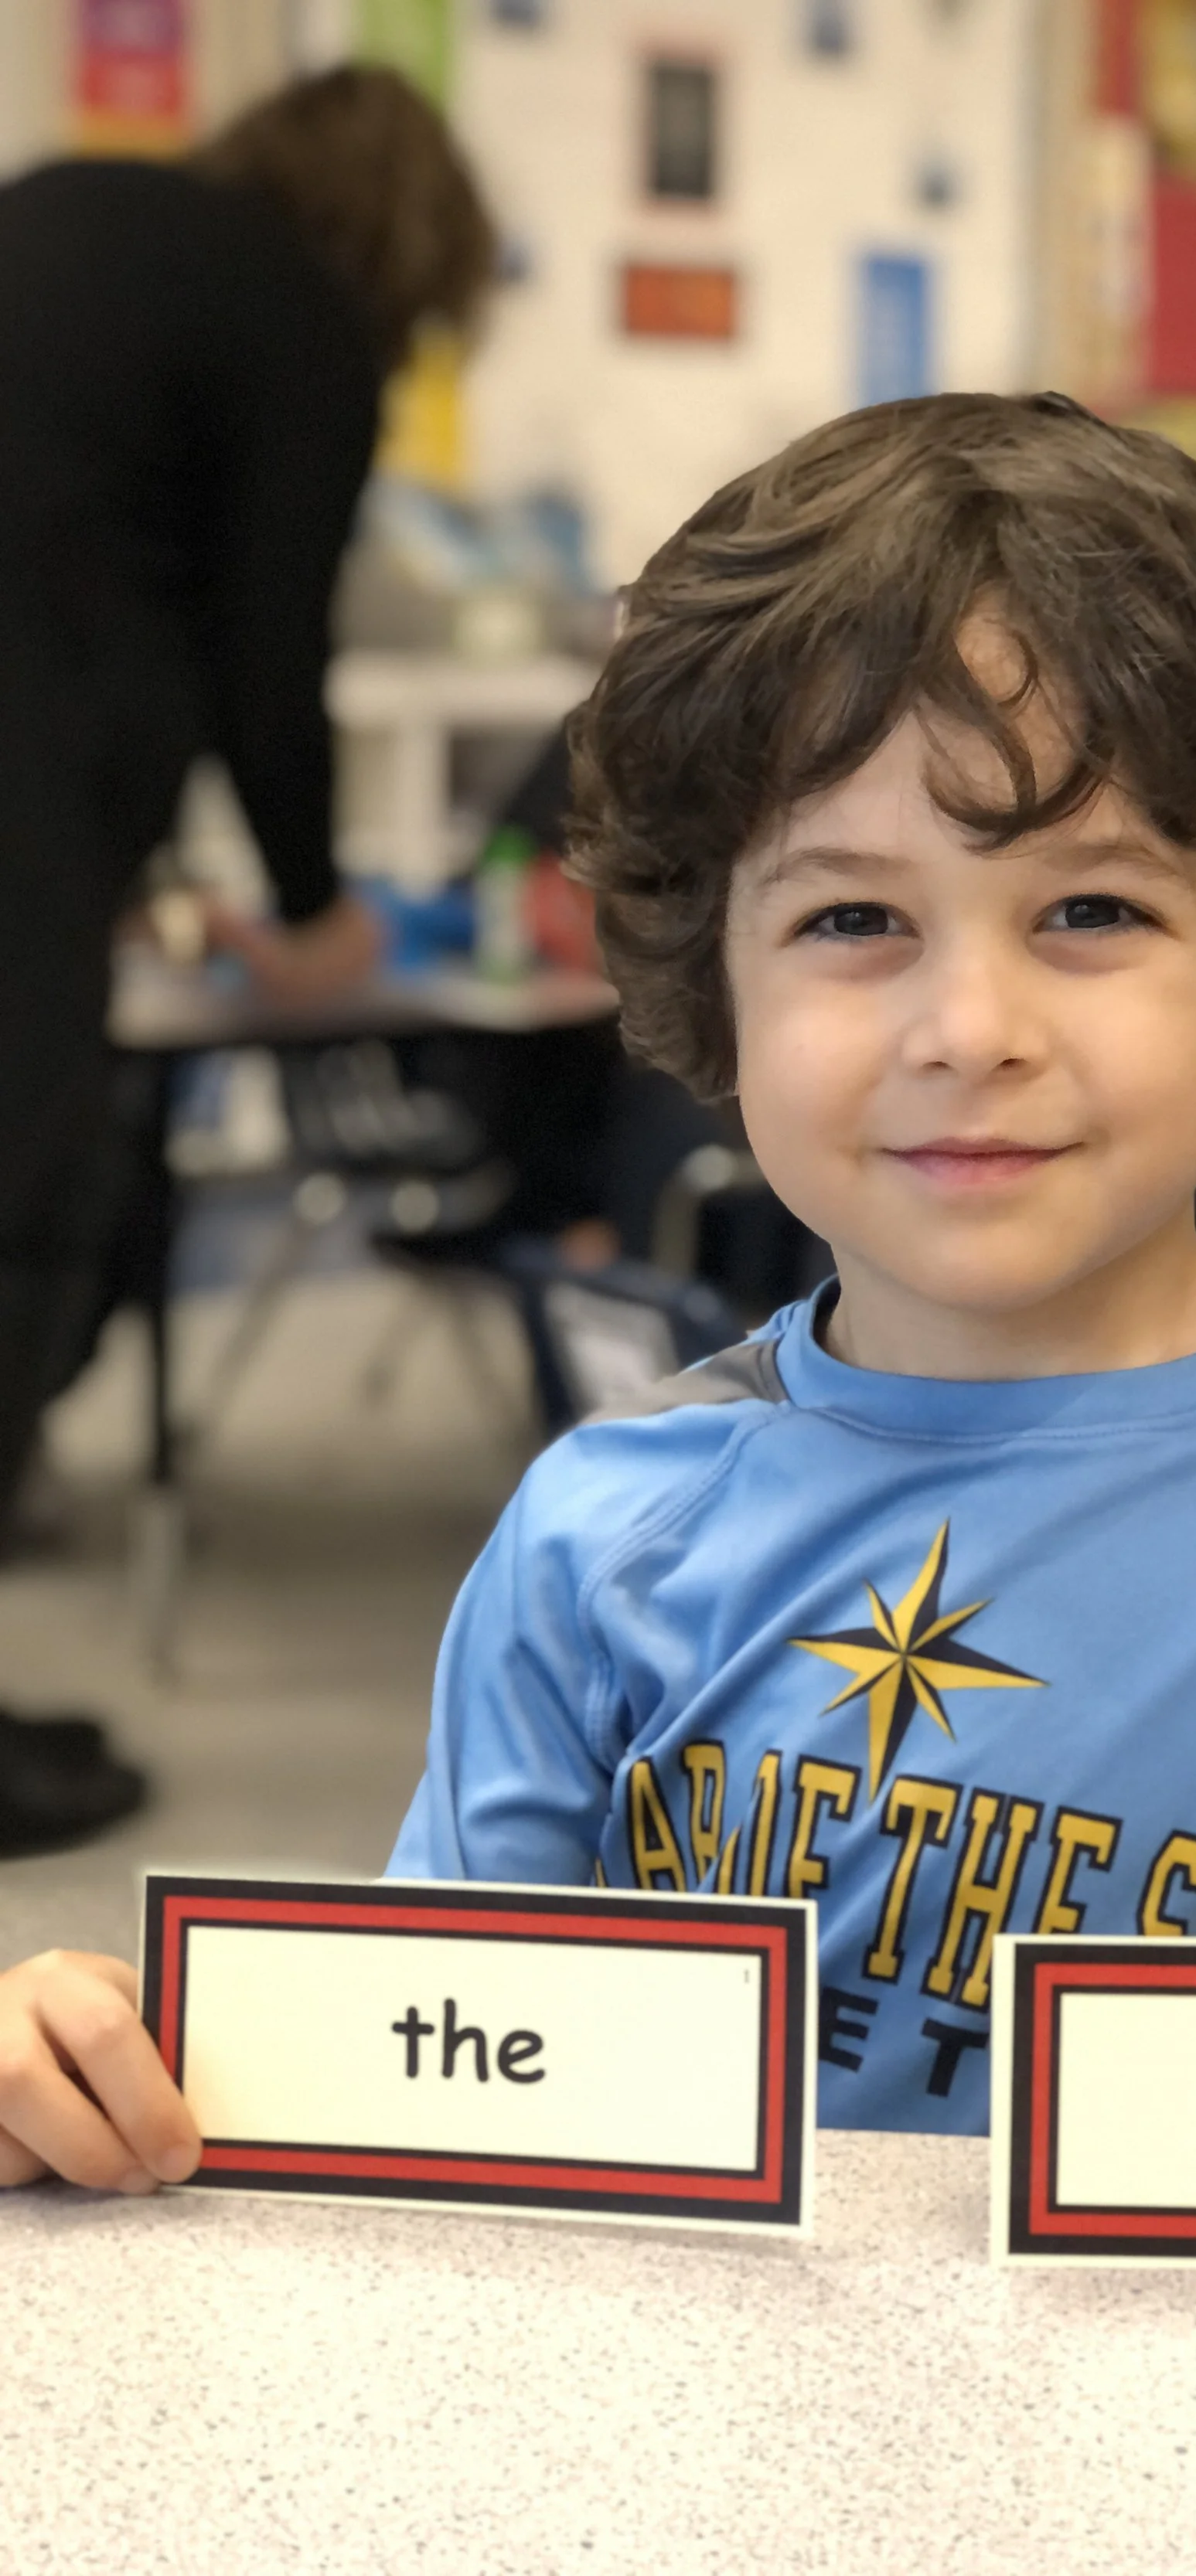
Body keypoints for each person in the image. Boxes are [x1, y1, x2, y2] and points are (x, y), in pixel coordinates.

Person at [4, 395, 1196, 2304]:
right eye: (852, 916)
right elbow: (419, 2144)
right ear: (715, 982)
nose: (970, 1025)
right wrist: (104, 2081)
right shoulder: (601, 1529)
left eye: (1091, 907)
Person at [0, 67, 493, 1850]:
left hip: (38, 787)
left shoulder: (73, 209)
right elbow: (267, 664)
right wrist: (314, 913)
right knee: (16, 1219)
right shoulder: (297, 320)